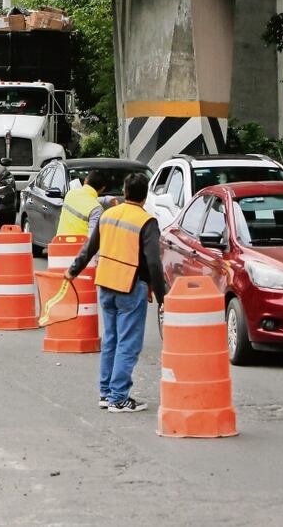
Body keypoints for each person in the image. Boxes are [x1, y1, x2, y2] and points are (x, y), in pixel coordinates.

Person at [65, 173, 165, 414]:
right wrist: (163, 297)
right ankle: (119, 398)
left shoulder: (108, 215)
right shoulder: (146, 221)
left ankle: (106, 392)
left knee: (110, 340)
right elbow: (153, 262)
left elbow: (90, 248)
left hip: (106, 284)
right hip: (130, 286)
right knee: (128, 344)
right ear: (146, 195)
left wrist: (73, 270)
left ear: (124, 190)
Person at [56, 170, 110, 237]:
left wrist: (105, 199)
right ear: (102, 189)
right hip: (79, 246)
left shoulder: (70, 194)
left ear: (85, 181)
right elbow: (91, 239)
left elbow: (84, 200)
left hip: (59, 244)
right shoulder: (96, 209)